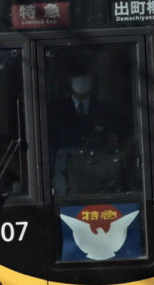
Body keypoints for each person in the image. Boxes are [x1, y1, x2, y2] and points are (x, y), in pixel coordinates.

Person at [50, 63, 129, 195]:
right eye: (77, 76)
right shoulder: (55, 111)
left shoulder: (105, 110)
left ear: (92, 80)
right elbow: (50, 145)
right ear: (69, 80)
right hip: (65, 179)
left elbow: (121, 137)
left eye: (85, 76)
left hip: (100, 179)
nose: (81, 80)